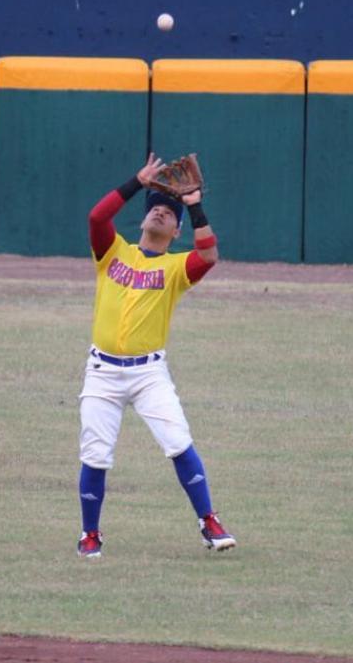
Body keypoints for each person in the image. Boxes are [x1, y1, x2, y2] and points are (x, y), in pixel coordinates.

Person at [76, 152, 236, 558]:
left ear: (178, 230)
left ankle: (209, 521)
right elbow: (97, 218)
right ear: (143, 220)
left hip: (149, 374)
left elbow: (209, 257)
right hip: (102, 371)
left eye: (169, 212)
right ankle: (90, 535)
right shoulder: (113, 252)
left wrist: (195, 205)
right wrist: (138, 183)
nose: (160, 213)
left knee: (178, 441)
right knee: (95, 453)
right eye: (155, 209)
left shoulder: (176, 267)